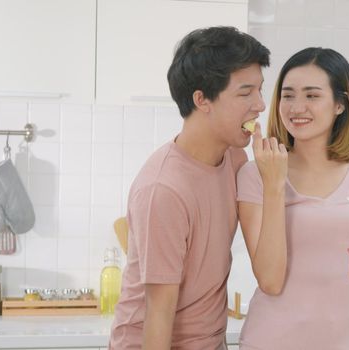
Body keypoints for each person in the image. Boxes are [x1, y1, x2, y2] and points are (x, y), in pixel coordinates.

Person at [109, 26, 270, 350]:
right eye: (245, 93)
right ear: (202, 99)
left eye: (259, 90)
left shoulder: (234, 156)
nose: (260, 105)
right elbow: (159, 313)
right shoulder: (164, 190)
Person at [236, 47, 349, 349]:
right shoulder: (255, 174)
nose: (297, 107)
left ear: (339, 104)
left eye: (312, 95)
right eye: (288, 95)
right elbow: (269, 280)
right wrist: (274, 184)